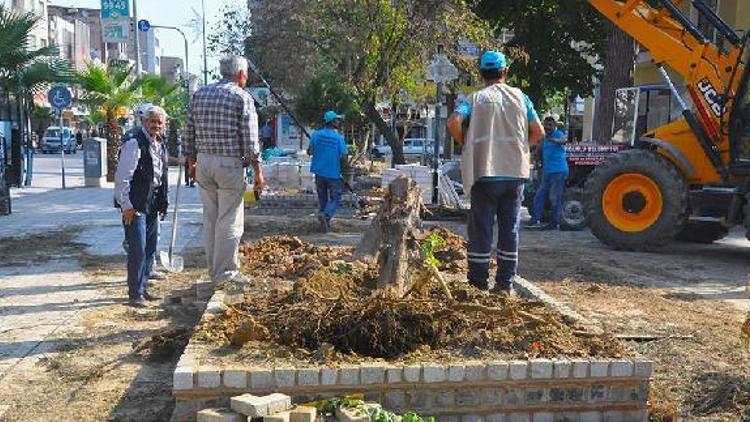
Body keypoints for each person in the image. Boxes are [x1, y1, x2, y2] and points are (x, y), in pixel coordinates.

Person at [446, 50, 545, 295]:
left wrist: (465, 143)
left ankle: (478, 285)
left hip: (485, 172)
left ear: (481, 74)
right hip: (514, 174)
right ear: (505, 72)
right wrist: (522, 147)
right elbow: (539, 132)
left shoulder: (475, 99)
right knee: (509, 229)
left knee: (482, 229)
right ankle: (504, 285)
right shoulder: (521, 98)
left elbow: (453, 122)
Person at [184, 55, 264, 284]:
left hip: (204, 162)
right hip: (229, 164)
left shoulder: (200, 94)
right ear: (240, 74)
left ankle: (214, 270)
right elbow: (250, 140)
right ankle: (225, 275)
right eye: (246, 74)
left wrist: (191, 160)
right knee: (229, 219)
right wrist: (258, 170)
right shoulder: (241, 97)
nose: (246, 78)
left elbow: (188, 130)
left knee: (210, 218)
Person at [114, 106, 169, 307]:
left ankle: (143, 287)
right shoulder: (134, 142)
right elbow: (122, 177)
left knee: (150, 247)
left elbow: (160, 174)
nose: (156, 125)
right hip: (135, 203)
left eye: (159, 122)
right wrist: (125, 205)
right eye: (152, 121)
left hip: (152, 202)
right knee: (137, 249)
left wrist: (163, 201)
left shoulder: (159, 142)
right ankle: (135, 294)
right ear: (144, 121)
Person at [525, 116, 569, 230]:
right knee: (539, 195)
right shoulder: (544, 138)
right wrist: (535, 155)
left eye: (550, 125)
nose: (547, 127)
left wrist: (554, 140)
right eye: (545, 125)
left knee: (554, 197)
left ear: (554, 126)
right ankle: (535, 219)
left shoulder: (558, 134)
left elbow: (564, 140)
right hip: (547, 171)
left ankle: (554, 223)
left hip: (558, 171)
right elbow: (538, 149)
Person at [308, 110, 348, 233]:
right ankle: (325, 216)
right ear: (332, 121)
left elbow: (309, 151)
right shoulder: (338, 138)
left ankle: (324, 221)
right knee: (336, 198)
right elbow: (344, 157)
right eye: (337, 120)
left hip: (319, 172)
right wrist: (344, 170)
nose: (338, 122)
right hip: (333, 173)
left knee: (323, 198)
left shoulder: (316, 134)